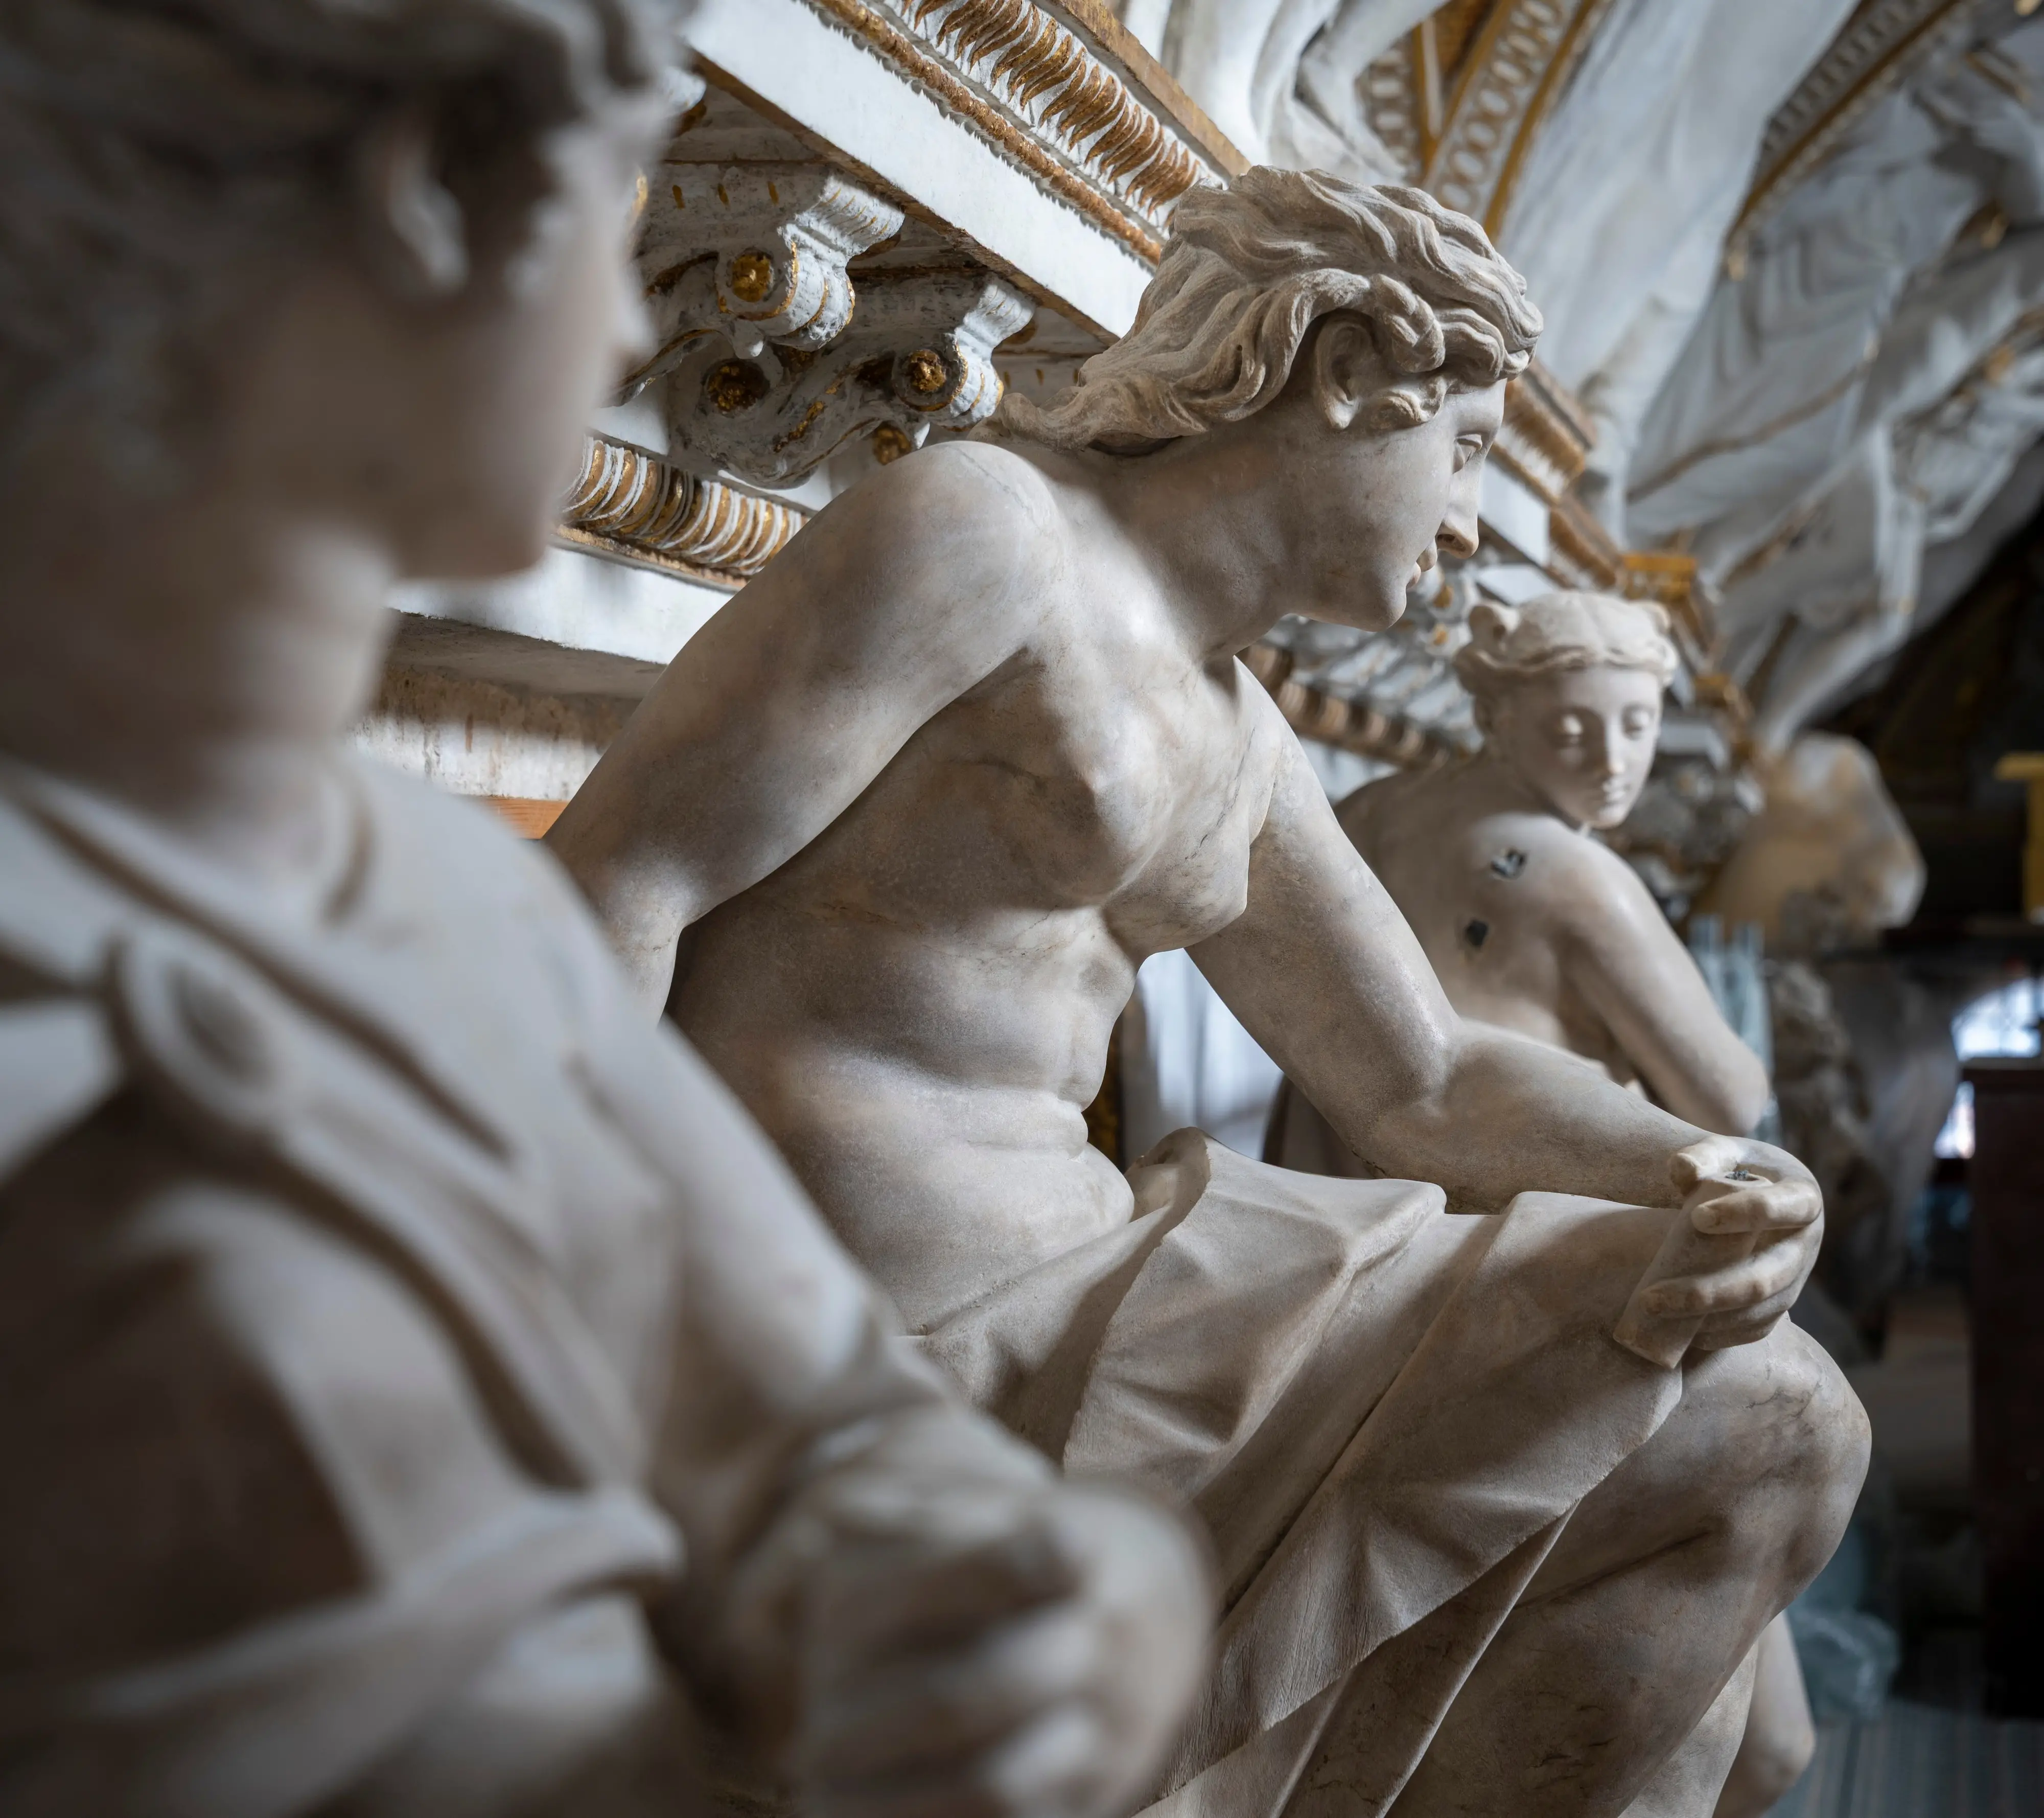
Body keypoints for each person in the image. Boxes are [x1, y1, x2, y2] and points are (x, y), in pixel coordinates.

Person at [0, 5, 1211, 1815]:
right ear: (425, 210)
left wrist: (1047, 1604)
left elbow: (820, 1425)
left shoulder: (447, 900)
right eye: (608, 198)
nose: (640, 322)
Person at [550, 168, 1870, 1817]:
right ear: (1348, 374)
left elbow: (1426, 1083)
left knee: (1764, 1444)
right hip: (867, 1335)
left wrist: (1698, 1174)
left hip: (1110, 1291)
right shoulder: (986, 532)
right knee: (1758, 1419)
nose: (1467, 522)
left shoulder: (1240, 730)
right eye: (1462, 449)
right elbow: (620, 889)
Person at [1268, 588, 1812, 1818]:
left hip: (1376, 1256)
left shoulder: (1360, 812)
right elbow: (1727, 1085)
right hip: (1564, 1283)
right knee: (1740, 1737)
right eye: (1572, 730)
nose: (1609, 763)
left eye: (1632, 727)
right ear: (1495, 707)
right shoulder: (1566, 870)